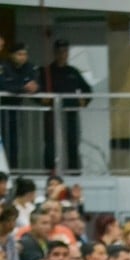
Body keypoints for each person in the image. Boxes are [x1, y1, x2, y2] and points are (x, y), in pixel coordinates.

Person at [43, 39, 92, 173]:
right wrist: (43, 100)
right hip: (52, 113)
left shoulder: (73, 71)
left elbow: (87, 90)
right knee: (50, 143)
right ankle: (50, 171)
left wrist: (84, 100)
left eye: (65, 51)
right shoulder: (47, 72)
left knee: (72, 142)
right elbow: (40, 93)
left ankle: (74, 171)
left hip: (70, 112)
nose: (62, 54)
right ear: (55, 53)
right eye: (59, 51)